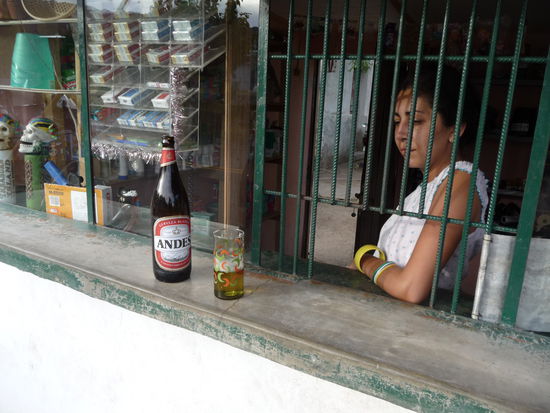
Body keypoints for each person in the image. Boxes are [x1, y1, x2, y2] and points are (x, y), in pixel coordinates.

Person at [355, 64, 489, 304]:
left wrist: (365, 259)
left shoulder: (461, 183)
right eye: (397, 121)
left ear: (455, 129)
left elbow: (411, 288)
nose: (401, 133)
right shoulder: (427, 188)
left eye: (415, 121)